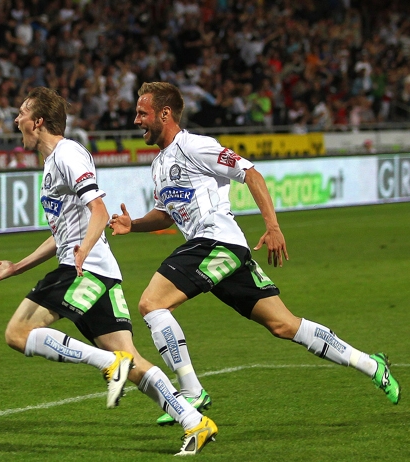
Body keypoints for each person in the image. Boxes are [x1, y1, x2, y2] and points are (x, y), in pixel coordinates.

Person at [109, 82, 401, 427]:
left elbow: (251, 174)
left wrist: (273, 226)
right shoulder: (159, 165)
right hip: (215, 251)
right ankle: (371, 363)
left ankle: (190, 391)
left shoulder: (195, 146)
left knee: (151, 304)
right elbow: (166, 214)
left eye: (142, 113)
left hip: (216, 242)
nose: (136, 120)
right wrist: (135, 225)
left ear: (165, 114)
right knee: (283, 324)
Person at [0, 87, 217, 456]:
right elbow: (61, 234)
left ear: (39, 121)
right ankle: (195, 422)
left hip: (82, 270)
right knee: (135, 362)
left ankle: (109, 363)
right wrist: (17, 267)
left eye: (22, 113)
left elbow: (100, 211)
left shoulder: (67, 153)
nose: (16, 120)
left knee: (18, 332)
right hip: (97, 271)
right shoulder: (51, 164)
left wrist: (83, 252)